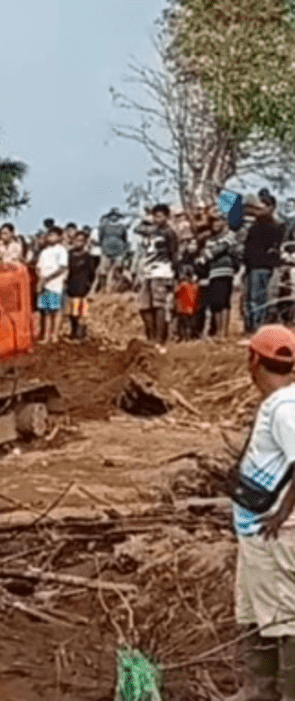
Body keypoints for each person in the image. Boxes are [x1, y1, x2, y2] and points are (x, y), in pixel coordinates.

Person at [225, 324, 295, 701]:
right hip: (256, 530)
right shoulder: (280, 404)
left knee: (285, 617)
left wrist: (281, 514)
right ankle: (258, 688)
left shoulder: (285, 408)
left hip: (276, 533)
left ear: (253, 360)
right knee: (254, 611)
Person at [136, 204, 179, 346]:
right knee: (144, 306)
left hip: (162, 270)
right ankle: (151, 335)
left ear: (167, 217)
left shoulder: (169, 233)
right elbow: (137, 228)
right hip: (147, 272)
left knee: (159, 305)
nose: (156, 219)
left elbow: (174, 253)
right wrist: (146, 217)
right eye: (155, 216)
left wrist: (175, 274)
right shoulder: (151, 231)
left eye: (160, 216)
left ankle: (160, 339)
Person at [245, 190, 285, 333]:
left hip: (263, 265)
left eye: (261, 206)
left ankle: (258, 325)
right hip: (251, 265)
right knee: (251, 297)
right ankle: (251, 324)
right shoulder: (254, 224)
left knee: (259, 297)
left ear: (270, 207)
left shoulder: (274, 225)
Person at [197, 211, 241, 339]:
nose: (216, 224)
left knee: (224, 302)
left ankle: (223, 333)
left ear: (224, 222)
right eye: (213, 221)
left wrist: (205, 256)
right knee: (216, 302)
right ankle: (218, 332)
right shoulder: (210, 239)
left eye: (218, 221)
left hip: (225, 272)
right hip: (212, 273)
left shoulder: (230, 235)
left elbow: (218, 250)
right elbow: (206, 252)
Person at [35, 226, 68, 344]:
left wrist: (47, 278)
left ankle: (55, 335)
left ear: (59, 237)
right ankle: (46, 336)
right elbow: (38, 267)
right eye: (49, 235)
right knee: (46, 311)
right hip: (44, 285)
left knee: (56, 310)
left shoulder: (61, 250)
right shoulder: (44, 251)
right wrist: (41, 279)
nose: (51, 237)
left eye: (53, 235)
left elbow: (62, 267)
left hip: (56, 284)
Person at [65, 228, 99, 341]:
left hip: (83, 288)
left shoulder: (88, 257)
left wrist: (90, 287)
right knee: (71, 313)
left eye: (81, 240)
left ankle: (80, 333)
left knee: (81, 313)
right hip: (70, 287)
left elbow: (92, 273)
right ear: (72, 241)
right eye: (76, 240)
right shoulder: (68, 256)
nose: (78, 243)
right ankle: (73, 331)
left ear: (85, 242)